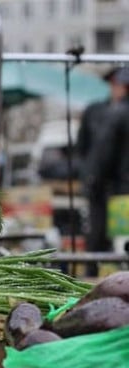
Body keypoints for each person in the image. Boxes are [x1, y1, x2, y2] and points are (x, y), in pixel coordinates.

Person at [77, 66, 129, 275]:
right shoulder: (96, 110)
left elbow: (101, 153)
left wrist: (92, 181)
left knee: (107, 241)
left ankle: (94, 278)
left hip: (114, 192)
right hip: (114, 188)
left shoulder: (116, 114)